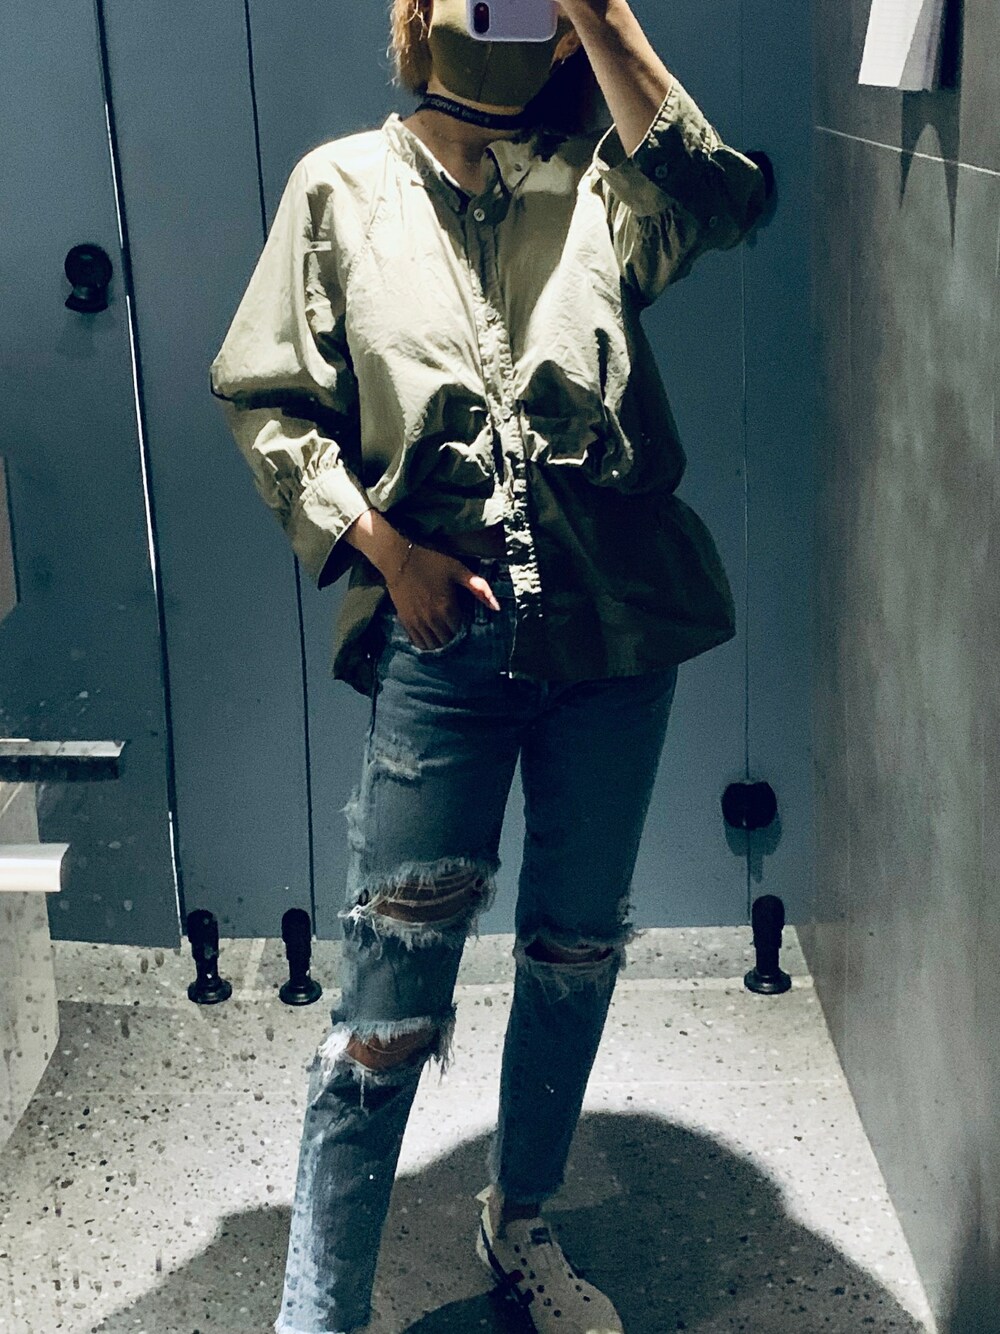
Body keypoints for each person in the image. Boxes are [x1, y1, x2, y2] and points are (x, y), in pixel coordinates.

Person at [209, 1, 767, 1329]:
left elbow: (722, 198)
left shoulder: (603, 183)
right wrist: (384, 550)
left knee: (576, 949)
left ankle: (520, 1219)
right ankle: (318, 1312)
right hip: (446, 648)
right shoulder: (341, 188)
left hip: (615, 636)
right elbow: (268, 399)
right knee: (387, 1002)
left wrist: (606, 19)